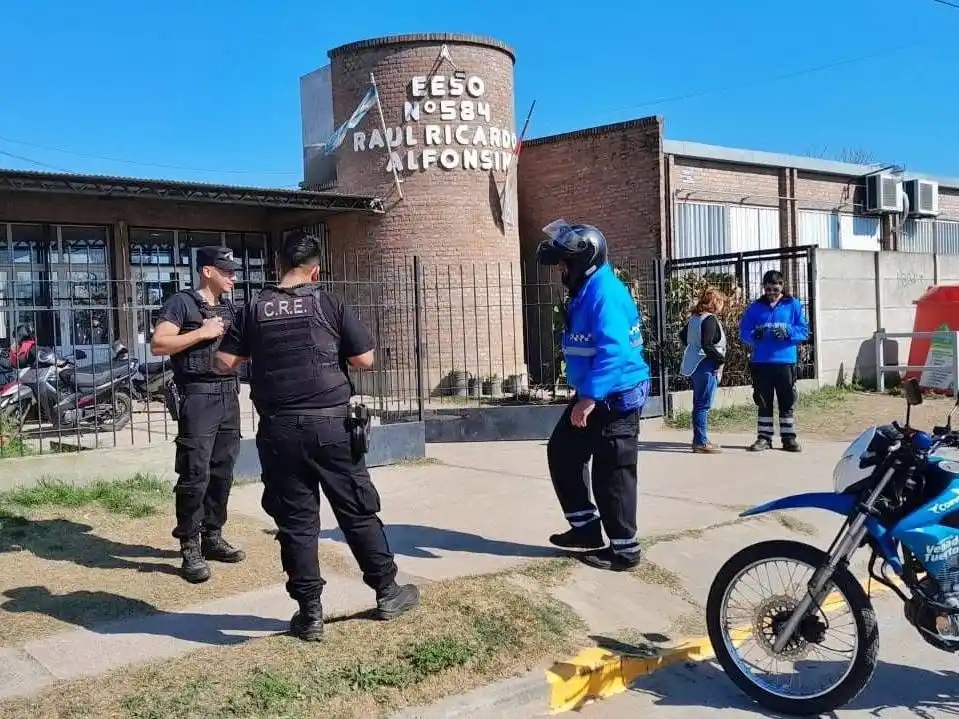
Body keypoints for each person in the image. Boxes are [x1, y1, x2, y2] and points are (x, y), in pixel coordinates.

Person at [213, 230, 418, 642]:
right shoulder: (328, 302)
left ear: (278, 266)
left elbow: (223, 362)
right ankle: (387, 591)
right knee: (356, 511)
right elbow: (363, 359)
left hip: (279, 430)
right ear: (315, 270)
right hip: (331, 426)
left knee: (297, 523)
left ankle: (310, 615)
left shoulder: (254, 308)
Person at [535, 219, 652, 572]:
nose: (560, 270)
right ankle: (586, 528)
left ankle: (625, 550)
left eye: (564, 264)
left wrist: (588, 399)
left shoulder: (605, 293)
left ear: (584, 262)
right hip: (595, 392)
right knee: (563, 452)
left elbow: (614, 353)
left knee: (612, 475)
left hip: (615, 397)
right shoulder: (587, 291)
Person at [151, 246, 246, 583]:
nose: (233, 276)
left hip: (228, 396)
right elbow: (159, 344)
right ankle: (189, 545)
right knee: (195, 473)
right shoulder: (183, 303)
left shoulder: (229, 307)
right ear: (208, 271)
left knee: (223, 471)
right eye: (227, 270)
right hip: (198, 397)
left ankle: (212, 536)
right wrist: (201, 333)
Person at [739, 269, 810, 453]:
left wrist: (788, 333)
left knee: (787, 399)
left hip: (785, 361)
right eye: (768, 289)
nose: (771, 293)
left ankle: (788, 438)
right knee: (763, 400)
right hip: (761, 361)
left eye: (775, 289)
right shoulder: (755, 307)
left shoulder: (793, 305)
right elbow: (744, 332)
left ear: (782, 286)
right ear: (764, 288)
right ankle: (764, 438)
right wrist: (755, 335)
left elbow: (803, 330)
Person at [679, 287, 727, 453]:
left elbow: (683, 336)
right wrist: (720, 359)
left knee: (699, 402)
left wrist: (693, 347)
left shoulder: (694, 318)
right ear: (715, 302)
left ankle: (699, 438)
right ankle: (701, 441)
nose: (722, 306)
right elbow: (707, 344)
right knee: (703, 404)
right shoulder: (710, 319)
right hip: (706, 364)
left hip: (694, 364)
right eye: (721, 302)